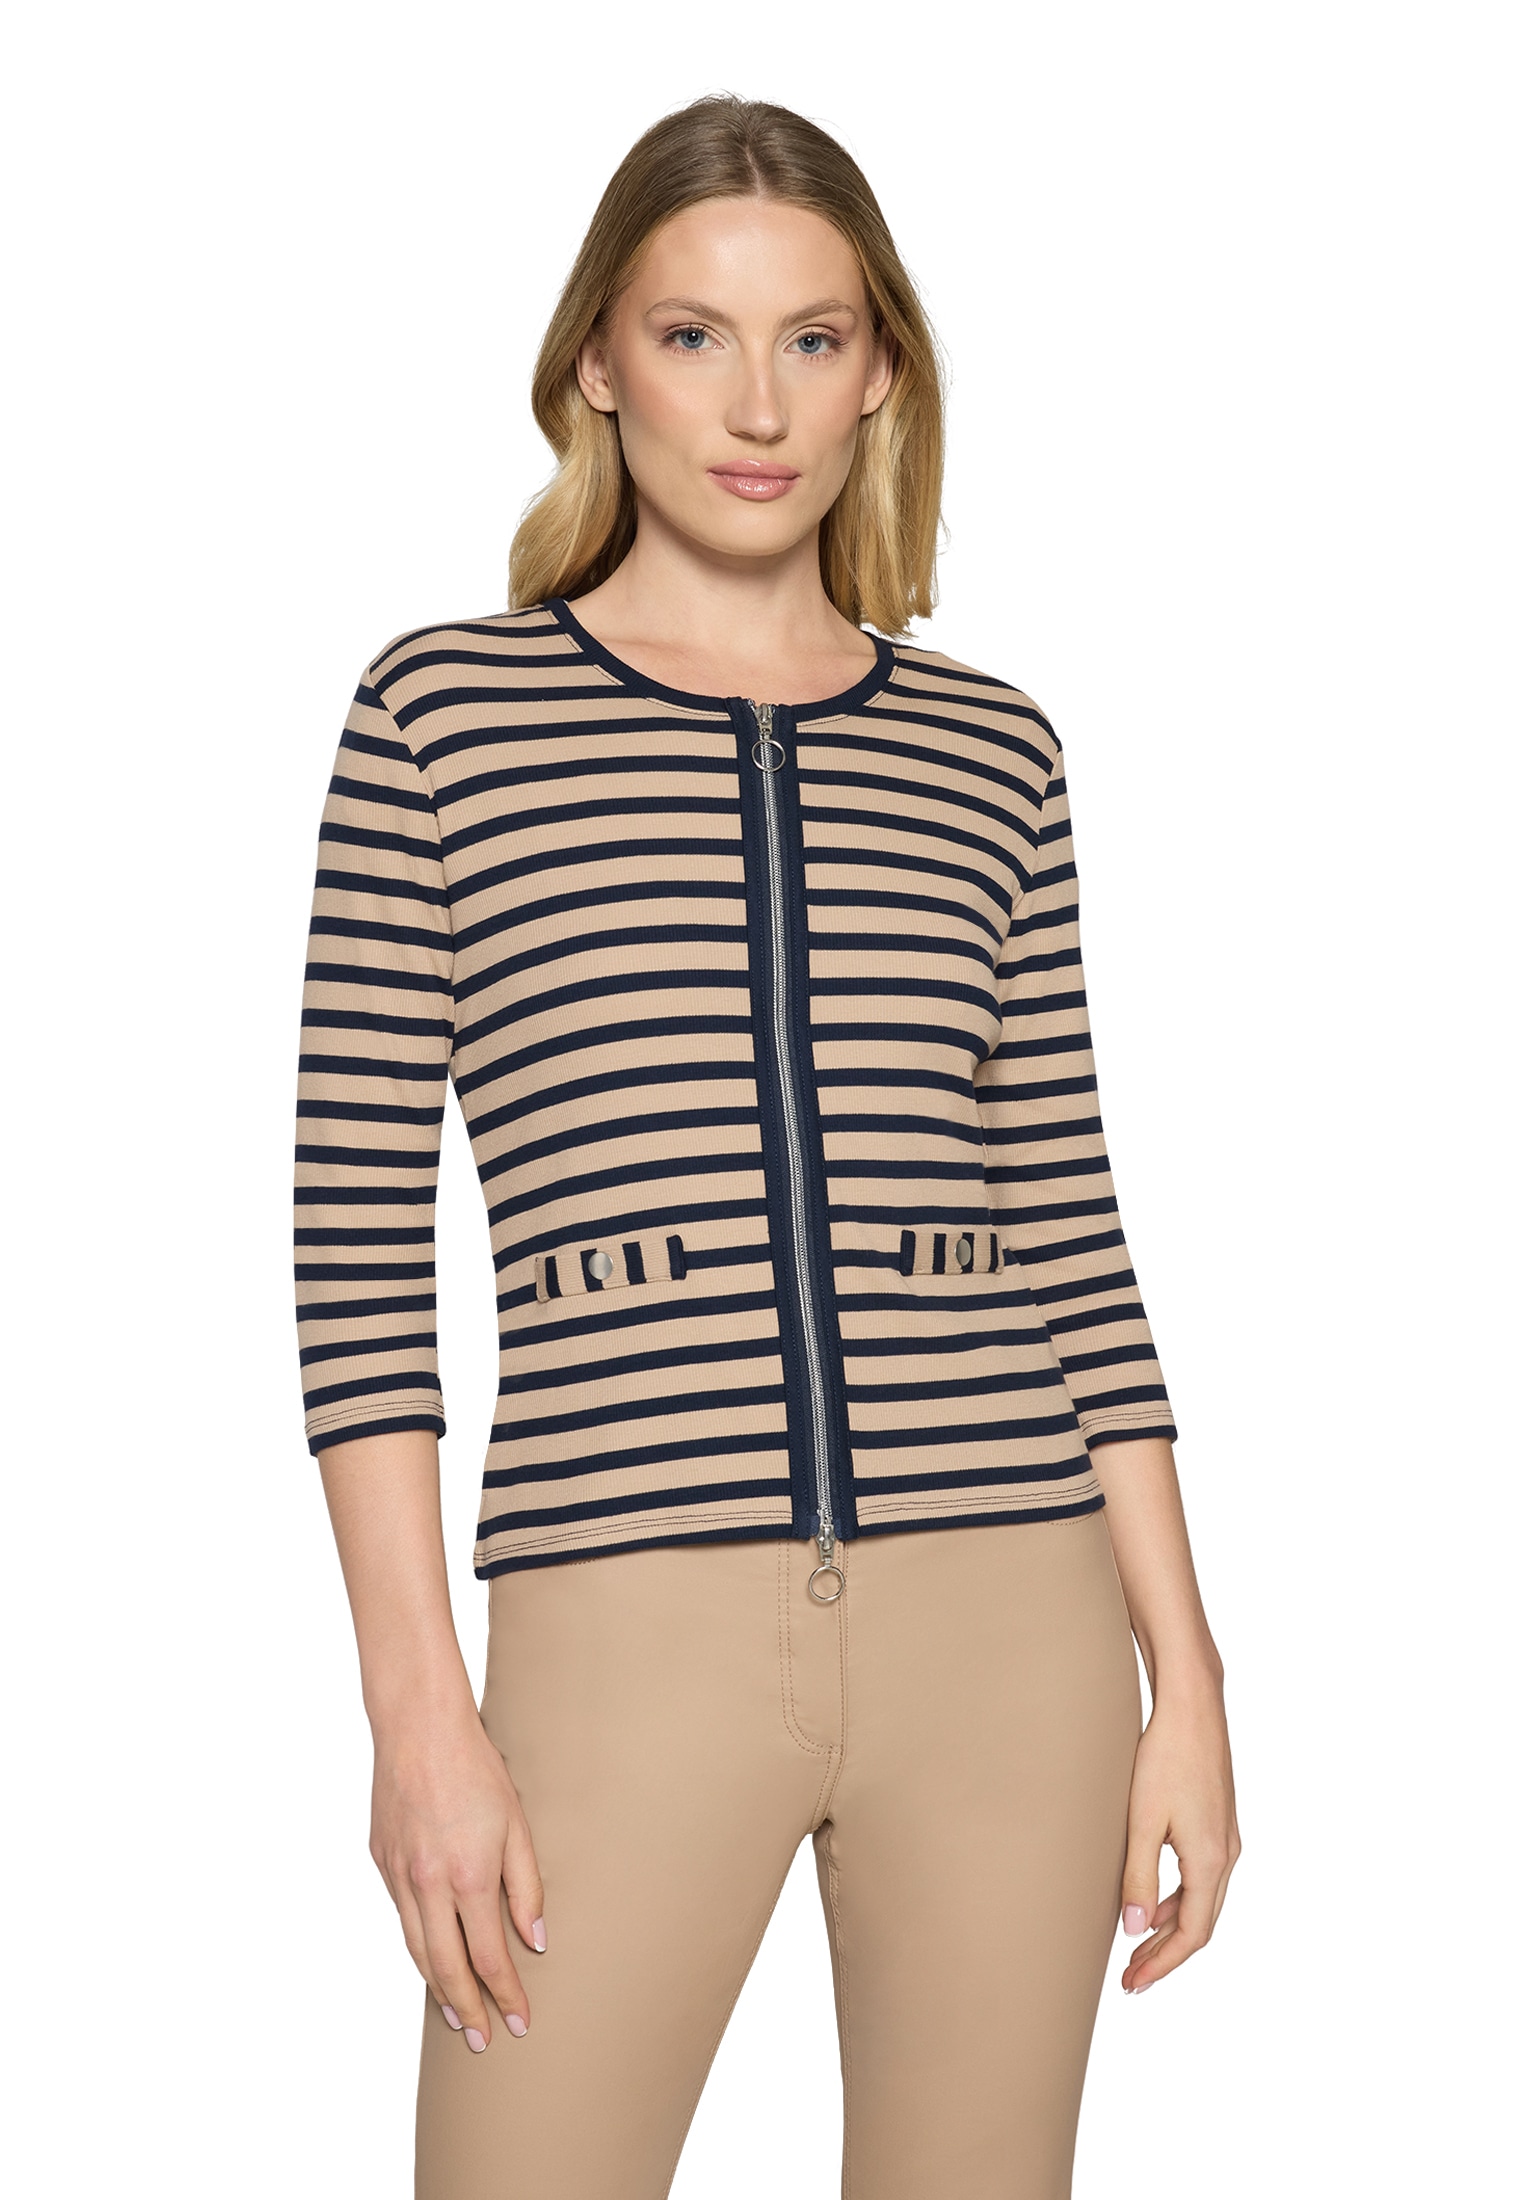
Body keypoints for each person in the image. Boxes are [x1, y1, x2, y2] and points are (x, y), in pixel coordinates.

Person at [295, 93, 1239, 2200]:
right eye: (693, 335)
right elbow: (356, 1254)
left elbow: (1072, 1229)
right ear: (595, 363)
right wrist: (416, 1713)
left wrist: (1182, 1674)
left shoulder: (991, 753)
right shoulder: (442, 719)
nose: (756, 404)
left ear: (879, 370)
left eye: (813, 339)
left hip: (1009, 1620)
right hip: (623, 1615)